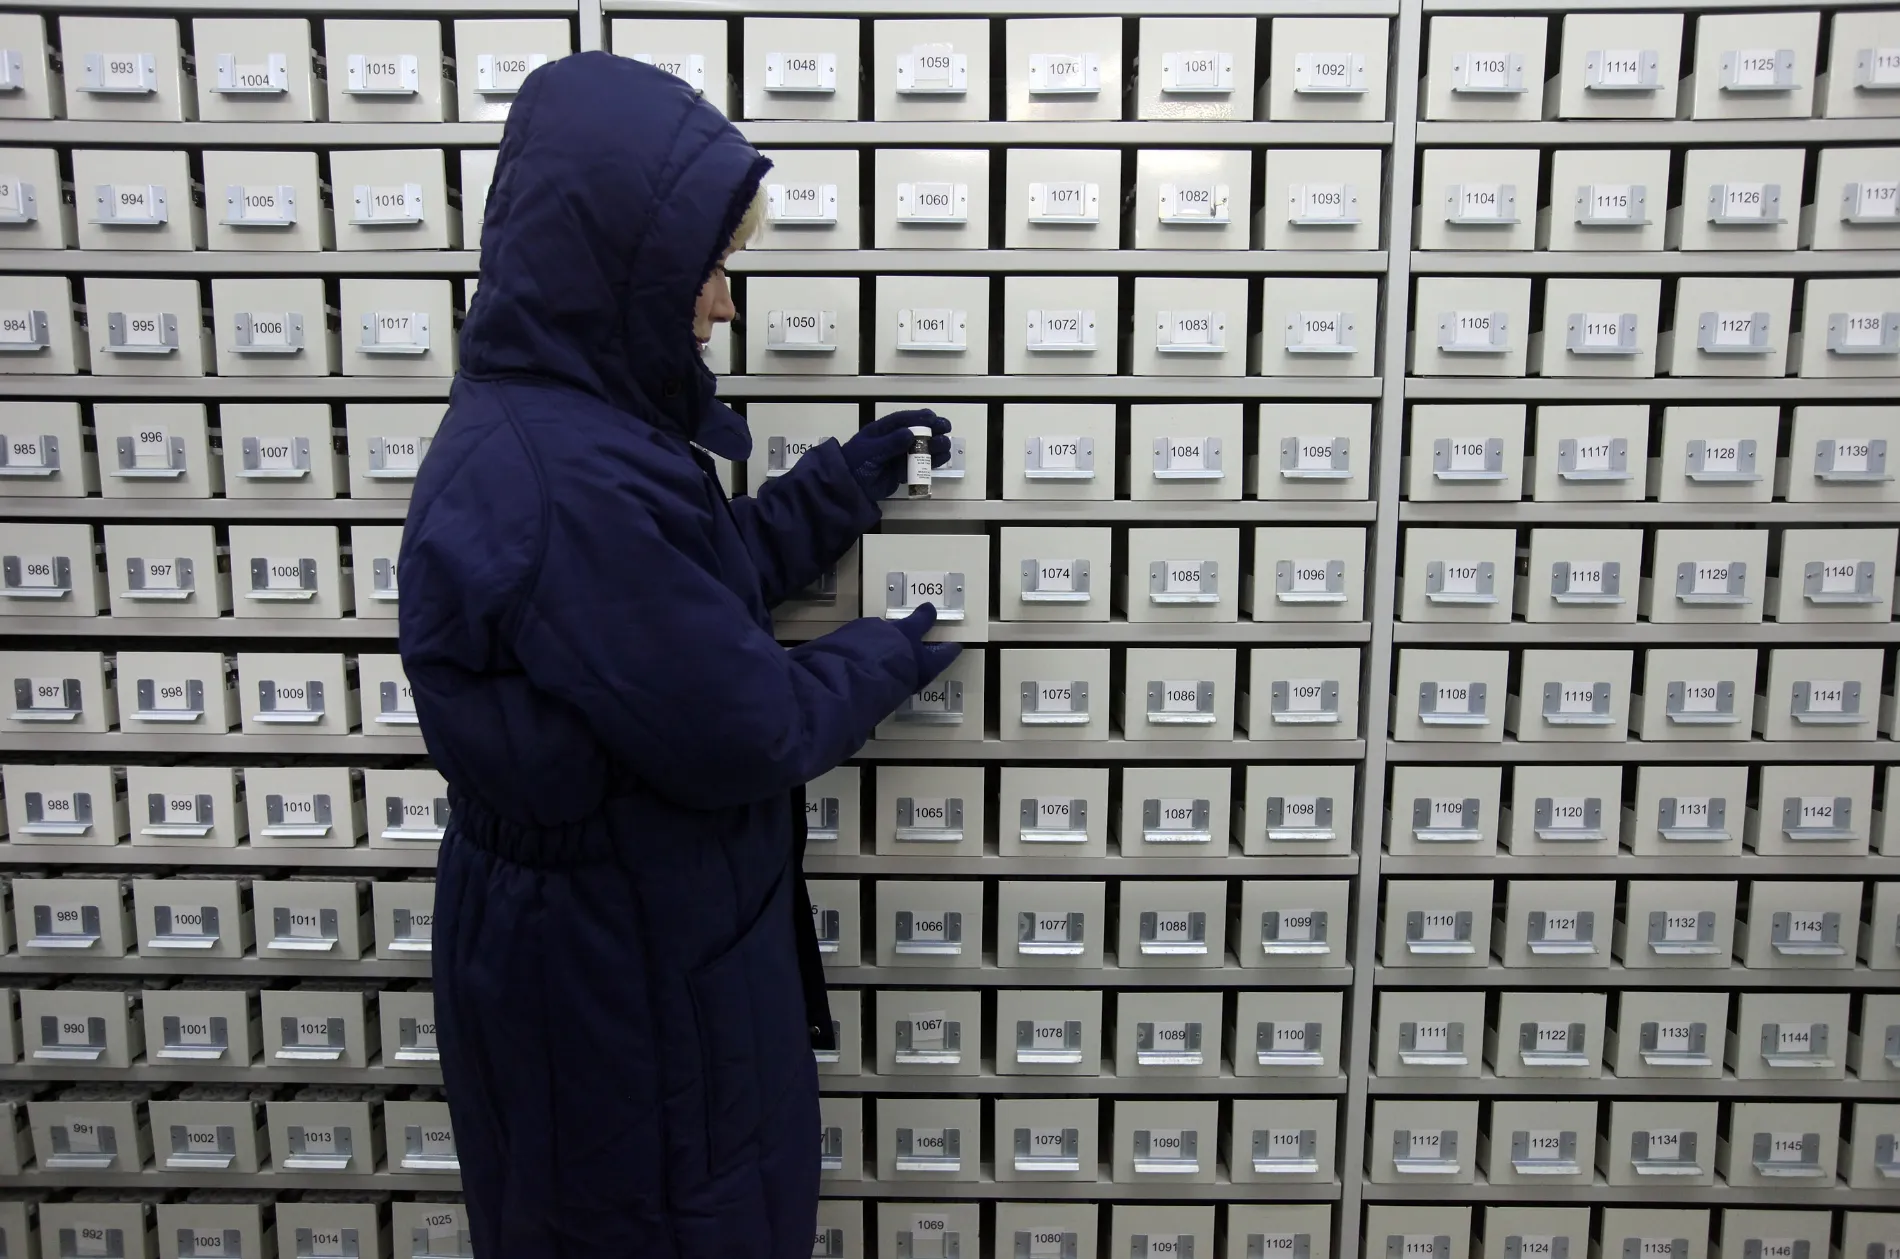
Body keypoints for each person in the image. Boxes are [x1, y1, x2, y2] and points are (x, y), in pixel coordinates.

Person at [396, 52, 962, 1259]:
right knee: (661, 1224)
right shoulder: (566, 473)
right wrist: (886, 653)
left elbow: (677, 597)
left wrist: (844, 485)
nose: (722, 303)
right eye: (710, 268)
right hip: (618, 973)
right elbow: (740, 723)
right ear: (628, 269)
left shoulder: (572, 431)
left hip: (632, 937)